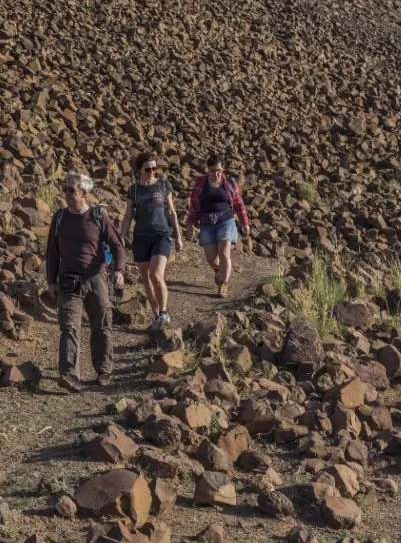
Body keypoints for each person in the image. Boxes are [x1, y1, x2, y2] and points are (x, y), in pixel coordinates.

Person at [46, 172, 126, 392]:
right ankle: (69, 375)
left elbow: (118, 245)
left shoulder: (98, 216)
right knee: (69, 326)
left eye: (71, 190)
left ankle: (103, 370)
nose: (67, 194)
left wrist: (119, 270)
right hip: (68, 281)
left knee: (101, 325)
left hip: (96, 278)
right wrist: (51, 281)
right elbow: (52, 252)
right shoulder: (60, 217)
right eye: (65, 189)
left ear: (84, 192)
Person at [120, 151, 183, 331]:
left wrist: (178, 236)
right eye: (148, 169)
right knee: (146, 279)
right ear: (139, 170)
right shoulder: (134, 190)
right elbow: (128, 215)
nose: (152, 172)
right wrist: (122, 236)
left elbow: (171, 211)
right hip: (141, 237)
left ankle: (164, 312)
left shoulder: (163, 185)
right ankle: (157, 317)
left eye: (155, 168)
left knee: (156, 275)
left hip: (161, 235)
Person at [185, 155, 250, 298]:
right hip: (207, 224)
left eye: (219, 170)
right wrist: (190, 223)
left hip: (226, 221)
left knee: (224, 252)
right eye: (213, 171)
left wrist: (244, 222)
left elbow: (239, 203)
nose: (217, 174)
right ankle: (218, 270)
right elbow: (194, 206)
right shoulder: (200, 184)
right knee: (211, 259)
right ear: (208, 170)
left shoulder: (230, 183)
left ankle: (223, 284)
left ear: (223, 169)